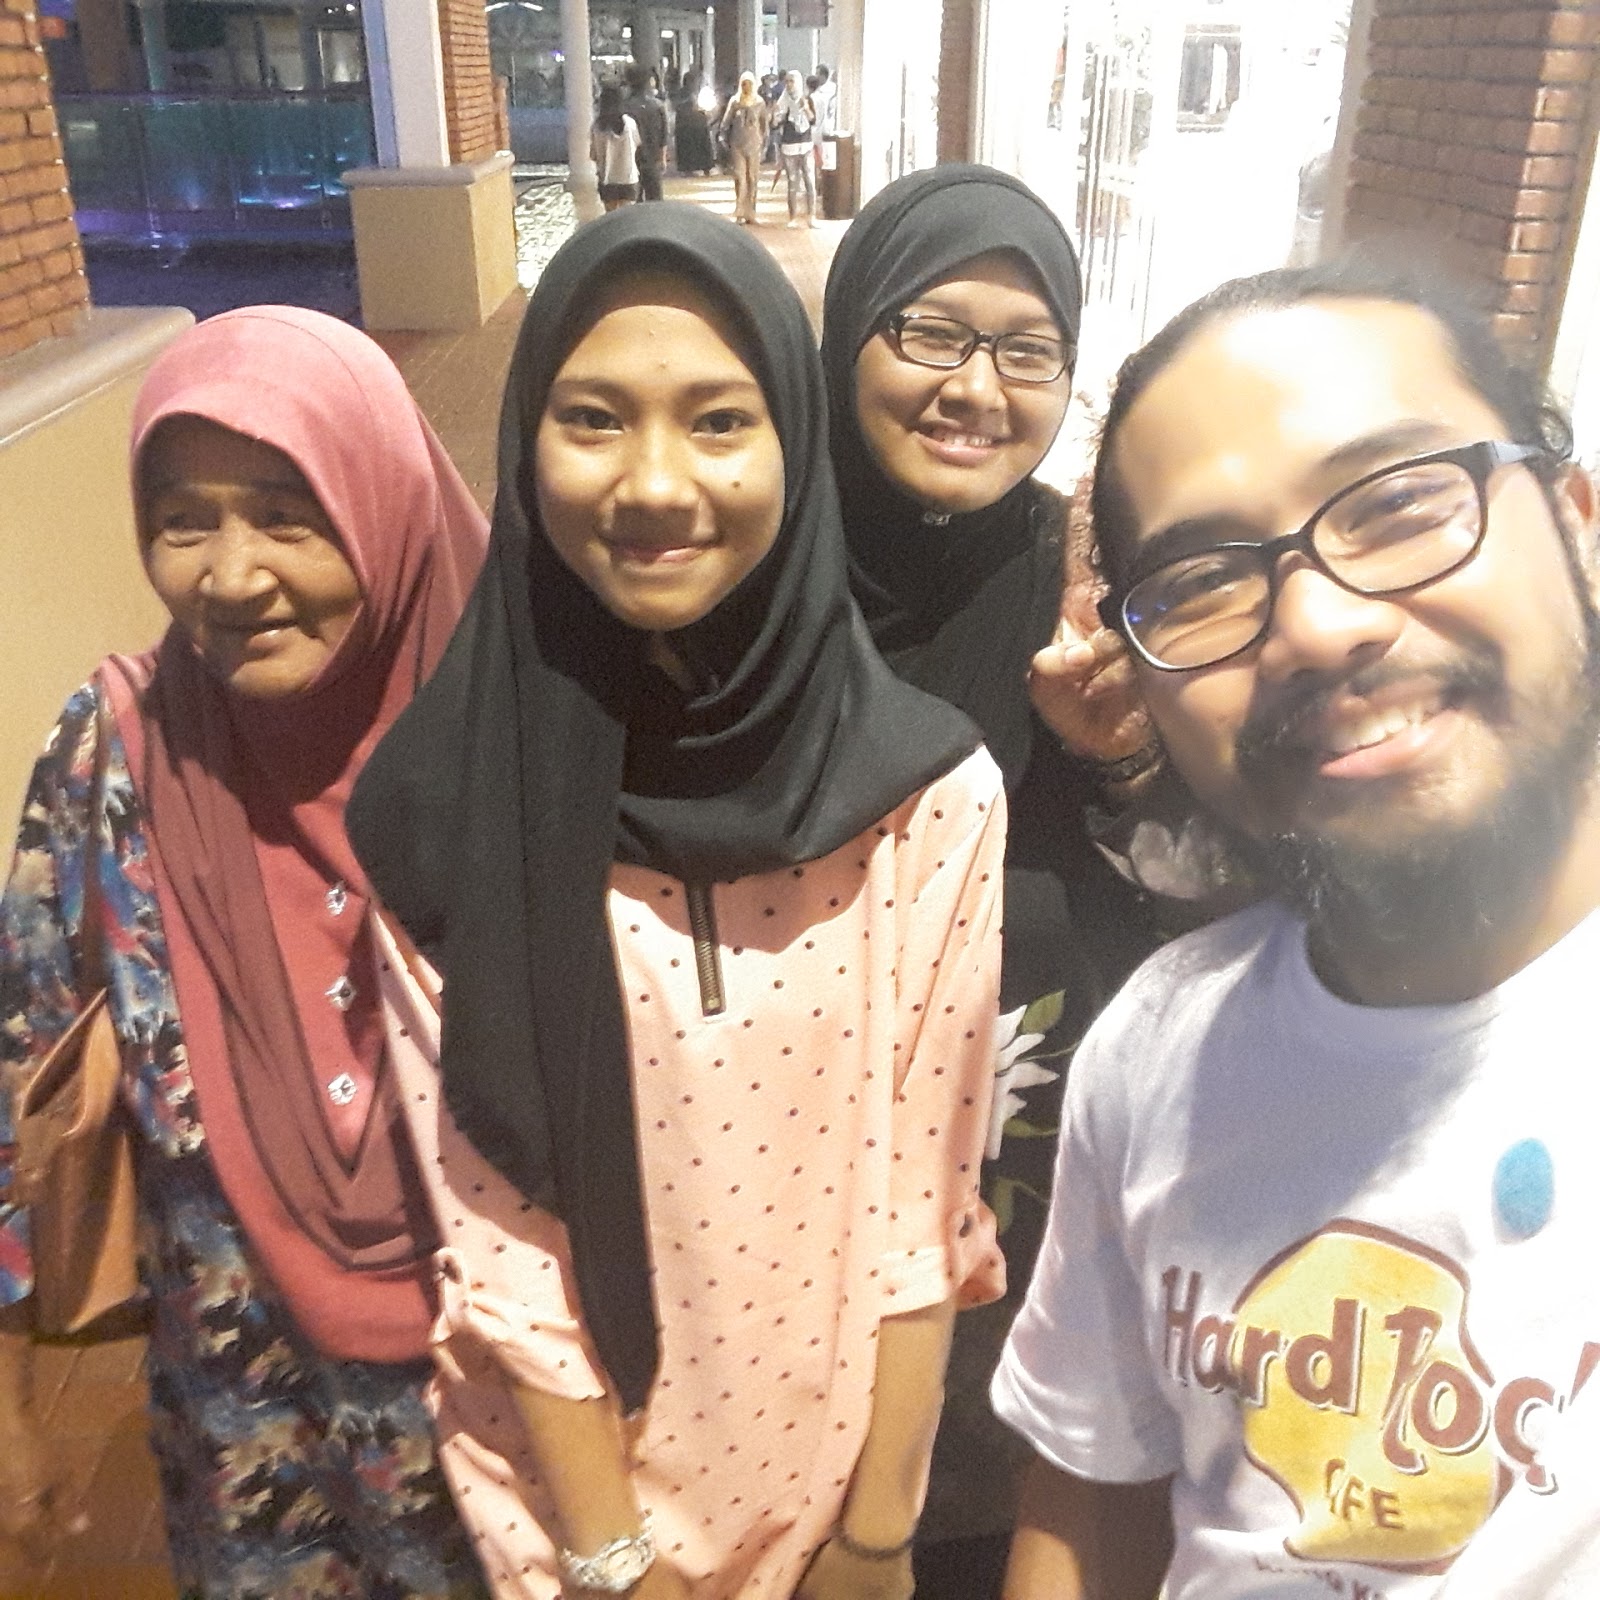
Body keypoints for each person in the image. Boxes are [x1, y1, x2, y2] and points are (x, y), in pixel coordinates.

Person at [346, 204, 1008, 1600]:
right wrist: (616, 1561)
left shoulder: (926, 798)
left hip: (834, 1505)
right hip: (567, 1519)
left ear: (795, 447)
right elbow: (497, 1236)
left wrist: (877, 1534)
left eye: (719, 422)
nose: (655, 484)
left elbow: (927, 1201)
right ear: (524, 441)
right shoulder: (447, 805)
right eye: (593, 419)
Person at [994, 259, 1600, 1597]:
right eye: (1202, 580)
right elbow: (1093, 1497)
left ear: (1576, 526)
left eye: (1397, 505)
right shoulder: (1159, 1047)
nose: (1320, 626)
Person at [0, 307, 490, 1595]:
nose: (229, 575)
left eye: (287, 515)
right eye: (184, 520)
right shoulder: (114, 759)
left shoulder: (517, 748)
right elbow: (15, 1073)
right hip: (247, 1443)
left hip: (516, 1425)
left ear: (383, 503)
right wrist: (7, 1401)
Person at [820, 164, 1160, 1600]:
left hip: (1007, 1178)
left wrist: (1119, 754)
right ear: (847, 335)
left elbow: (1194, 890)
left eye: (1028, 351)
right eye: (931, 333)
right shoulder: (752, 571)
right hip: (777, 1163)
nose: (976, 388)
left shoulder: (1086, 585)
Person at [719, 72, 767, 225]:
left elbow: (764, 124)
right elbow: (726, 121)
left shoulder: (759, 102)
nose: (746, 87)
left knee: (752, 178)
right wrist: (722, 136)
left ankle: (750, 212)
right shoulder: (735, 101)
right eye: (744, 84)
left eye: (749, 84)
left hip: (754, 144)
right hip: (737, 144)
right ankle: (739, 212)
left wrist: (764, 143)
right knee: (740, 178)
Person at [772, 69, 816, 228]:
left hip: (805, 144)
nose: (789, 85)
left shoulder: (807, 99)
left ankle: (811, 216)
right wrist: (775, 115)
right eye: (787, 82)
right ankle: (793, 217)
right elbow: (775, 124)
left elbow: (812, 120)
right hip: (789, 145)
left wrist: (806, 108)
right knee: (792, 182)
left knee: (809, 180)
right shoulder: (782, 102)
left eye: (792, 81)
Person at [592, 82, 642, 211]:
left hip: (607, 180)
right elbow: (637, 144)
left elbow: (593, 155)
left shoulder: (597, 126)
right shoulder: (630, 123)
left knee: (612, 218)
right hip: (628, 178)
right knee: (627, 217)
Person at [623, 64, 667, 202]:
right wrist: (663, 158)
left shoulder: (624, 106)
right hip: (653, 160)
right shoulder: (658, 106)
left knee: (635, 200)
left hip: (631, 161)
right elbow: (663, 136)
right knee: (655, 200)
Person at [673, 67, 714, 176]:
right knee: (691, 146)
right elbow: (678, 106)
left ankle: (702, 167)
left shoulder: (698, 92)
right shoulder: (683, 93)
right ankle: (691, 167)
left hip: (693, 123)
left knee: (698, 146)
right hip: (689, 123)